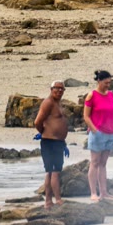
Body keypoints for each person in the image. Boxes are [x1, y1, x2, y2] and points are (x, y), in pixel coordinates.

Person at [31, 78, 70, 207]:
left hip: (58, 142)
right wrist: (44, 133)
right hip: (50, 142)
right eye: (56, 88)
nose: (59, 91)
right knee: (54, 172)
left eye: (61, 88)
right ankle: (56, 199)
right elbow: (37, 121)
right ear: (51, 89)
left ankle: (48, 201)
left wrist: (63, 143)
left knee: (52, 171)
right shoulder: (48, 103)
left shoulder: (58, 103)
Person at [83, 70, 113, 202]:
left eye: (109, 83)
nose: (108, 85)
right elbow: (86, 116)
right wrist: (94, 130)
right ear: (99, 81)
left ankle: (104, 192)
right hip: (97, 133)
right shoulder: (91, 95)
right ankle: (93, 193)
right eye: (106, 83)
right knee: (95, 162)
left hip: (111, 133)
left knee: (103, 163)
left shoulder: (111, 95)